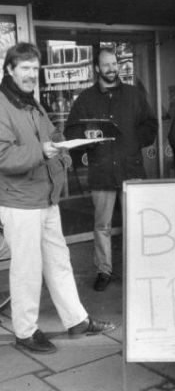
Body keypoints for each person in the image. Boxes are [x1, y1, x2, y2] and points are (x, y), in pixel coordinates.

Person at [0, 42, 115, 354]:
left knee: (58, 260)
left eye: (34, 70)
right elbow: (3, 155)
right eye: (24, 68)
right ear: (9, 69)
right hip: (19, 201)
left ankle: (76, 319)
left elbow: (51, 134)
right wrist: (43, 151)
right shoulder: (2, 105)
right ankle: (25, 331)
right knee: (26, 267)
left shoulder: (30, 103)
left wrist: (63, 145)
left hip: (45, 197)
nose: (30, 75)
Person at [66, 47, 157, 291]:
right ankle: (103, 270)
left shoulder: (133, 95)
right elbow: (71, 131)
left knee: (136, 222)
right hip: (102, 170)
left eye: (114, 64)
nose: (111, 69)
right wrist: (88, 137)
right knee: (102, 225)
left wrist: (136, 141)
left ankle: (139, 268)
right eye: (106, 65)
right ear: (97, 68)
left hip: (131, 168)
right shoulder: (85, 99)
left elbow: (151, 124)